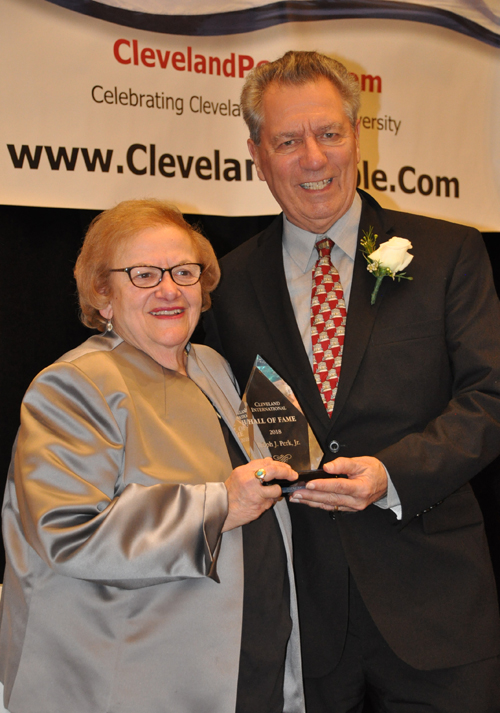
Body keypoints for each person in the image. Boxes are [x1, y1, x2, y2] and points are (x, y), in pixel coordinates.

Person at [204, 51, 500, 712]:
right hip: (298, 624)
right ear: (256, 152)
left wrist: (390, 475)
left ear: (356, 137)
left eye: (329, 134)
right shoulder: (226, 285)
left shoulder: (450, 254)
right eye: (287, 140)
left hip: (436, 612)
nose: (314, 158)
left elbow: (490, 400)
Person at [0, 199, 305, 713]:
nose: (169, 289)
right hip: (135, 685)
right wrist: (220, 505)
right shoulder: (74, 385)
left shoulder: (212, 367)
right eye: (143, 274)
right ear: (103, 295)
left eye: (184, 272)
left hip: (251, 665)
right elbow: (68, 532)